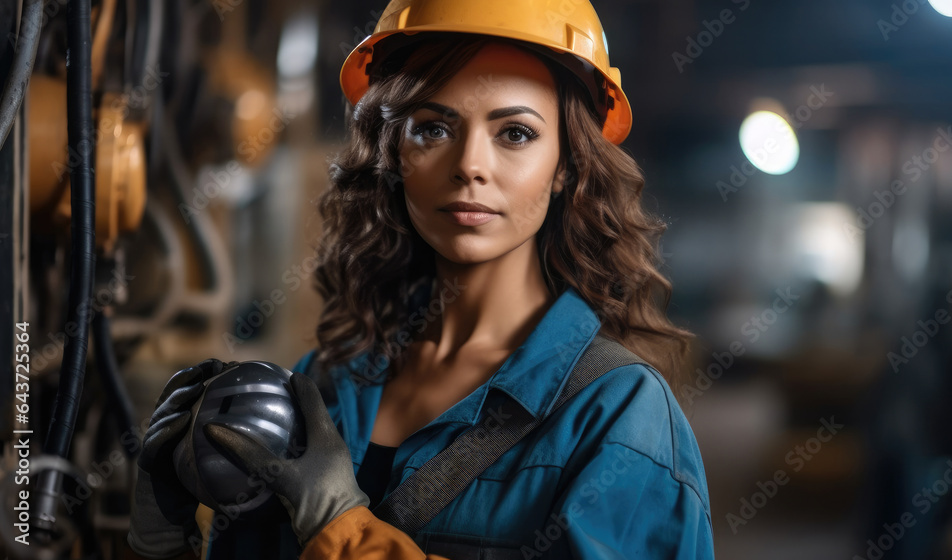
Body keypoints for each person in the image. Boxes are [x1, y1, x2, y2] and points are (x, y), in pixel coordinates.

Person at [127, 0, 715, 558]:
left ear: (566, 167)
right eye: (433, 128)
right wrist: (163, 539)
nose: (469, 166)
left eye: (515, 133)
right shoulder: (327, 383)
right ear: (393, 151)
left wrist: (342, 530)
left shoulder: (617, 416)